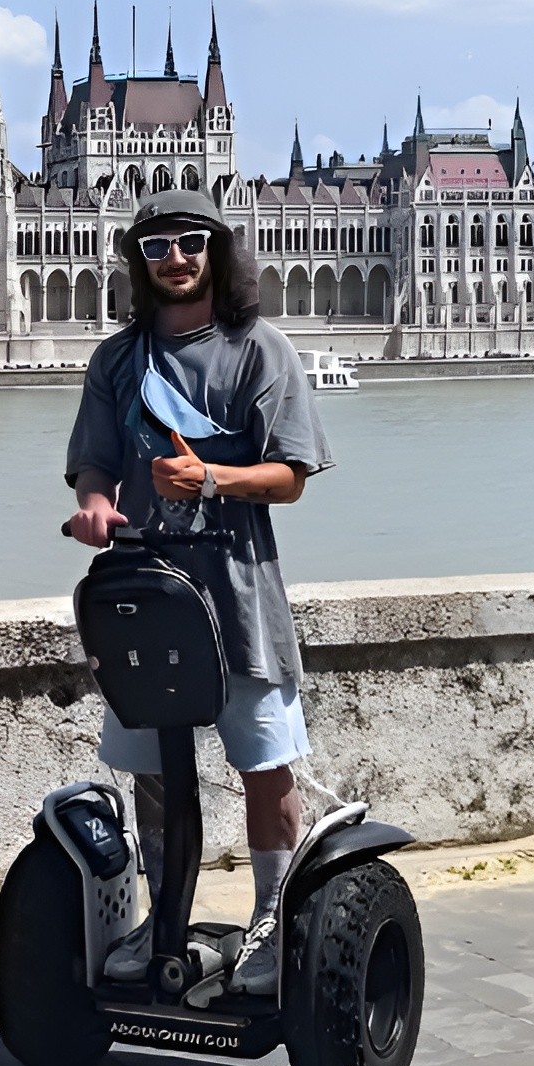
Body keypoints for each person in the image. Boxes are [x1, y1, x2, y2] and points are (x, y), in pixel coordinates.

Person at [64, 189, 331, 998]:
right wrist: (94, 504)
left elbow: (289, 479)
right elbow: (94, 461)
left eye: (189, 243)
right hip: (144, 587)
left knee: (264, 764)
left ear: (215, 250)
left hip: (237, 588)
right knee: (150, 769)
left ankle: (272, 918)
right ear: (139, 263)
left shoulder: (262, 349)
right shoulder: (117, 359)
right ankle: (166, 915)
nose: (174, 259)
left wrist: (210, 476)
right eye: (156, 248)